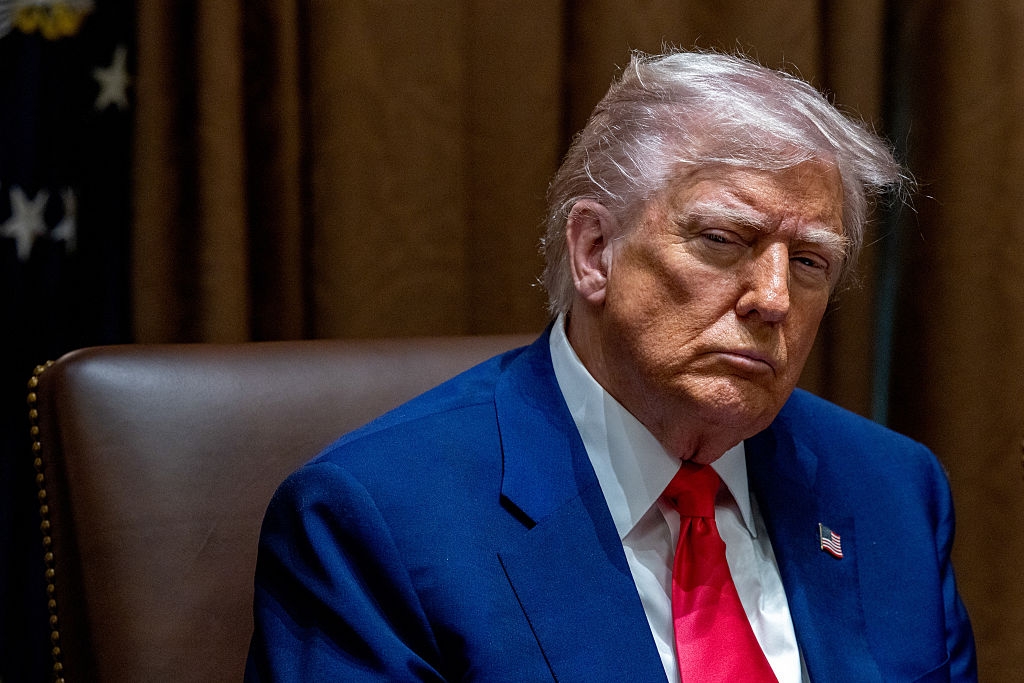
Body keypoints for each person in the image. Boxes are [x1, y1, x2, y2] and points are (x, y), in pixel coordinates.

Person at [245, 50, 977, 682]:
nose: (774, 298)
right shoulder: (378, 523)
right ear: (595, 250)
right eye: (723, 239)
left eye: (811, 261)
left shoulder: (893, 493)